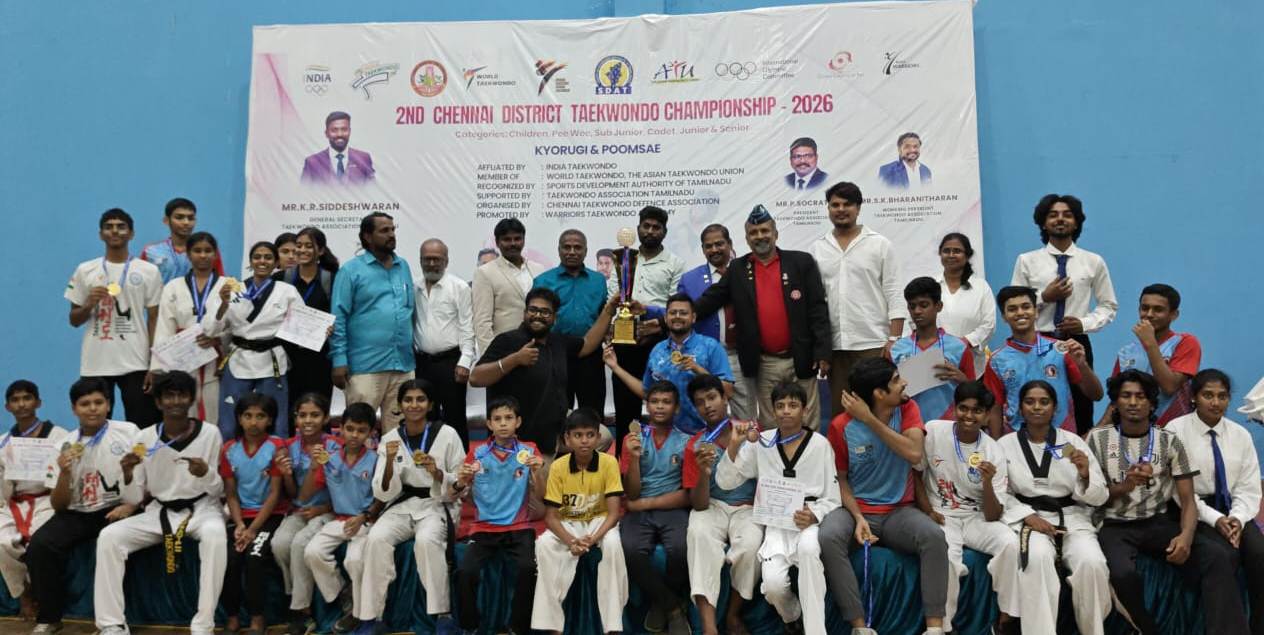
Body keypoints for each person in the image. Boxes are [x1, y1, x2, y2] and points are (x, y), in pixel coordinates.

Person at [1085, 370, 1241, 635]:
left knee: (1217, 556)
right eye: (1126, 396)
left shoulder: (1169, 440)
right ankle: (1148, 629)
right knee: (1122, 574)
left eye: (1140, 396)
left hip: (1157, 522)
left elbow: (1188, 500)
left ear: (1151, 404)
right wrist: (1126, 486)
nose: (1133, 402)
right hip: (1113, 524)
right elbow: (1091, 496)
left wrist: (1186, 537)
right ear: (1115, 403)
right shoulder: (1097, 439)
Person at [820, 358, 949, 635]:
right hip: (856, 511)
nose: (904, 383)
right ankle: (859, 626)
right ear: (879, 393)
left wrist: (869, 419)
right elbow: (840, 479)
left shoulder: (908, 408)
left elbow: (913, 453)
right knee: (828, 536)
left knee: (933, 537)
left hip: (898, 512)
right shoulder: (841, 426)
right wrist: (857, 517)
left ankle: (935, 628)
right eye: (895, 380)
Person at [93, 371, 225, 635]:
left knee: (216, 536)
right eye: (168, 396)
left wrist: (205, 474)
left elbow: (218, 489)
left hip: (202, 509)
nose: (175, 401)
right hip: (160, 511)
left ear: (191, 399)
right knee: (109, 537)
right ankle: (111, 623)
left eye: (181, 395)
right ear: (158, 402)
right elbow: (134, 497)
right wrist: (128, 473)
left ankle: (203, 625)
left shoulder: (210, 433)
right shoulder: (144, 438)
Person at [716, 381, 839, 635]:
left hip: (807, 520)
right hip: (776, 524)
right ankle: (792, 615)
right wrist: (735, 444)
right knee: (772, 586)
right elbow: (726, 482)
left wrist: (815, 515)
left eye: (793, 405)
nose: (786, 411)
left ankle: (816, 631)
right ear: (772, 411)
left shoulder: (820, 445)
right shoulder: (762, 442)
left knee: (808, 550)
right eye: (780, 405)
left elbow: (833, 498)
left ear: (805, 410)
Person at [696, 206, 832, 429]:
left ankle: (808, 453)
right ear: (746, 239)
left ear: (775, 234)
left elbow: (818, 309)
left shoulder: (801, 262)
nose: (760, 236)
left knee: (806, 420)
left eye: (765, 231)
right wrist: (674, 317)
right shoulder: (738, 269)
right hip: (765, 362)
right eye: (753, 232)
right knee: (770, 423)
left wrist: (823, 351)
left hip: (802, 356)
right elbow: (711, 299)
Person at [26, 379, 139, 633]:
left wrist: (131, 506)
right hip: (78, 512)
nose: (93, 408)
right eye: (85, 404)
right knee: (40, 546)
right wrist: (65, 473)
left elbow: (146, 475)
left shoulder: (128, 432)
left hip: (118, 507)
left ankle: (112, 623)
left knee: (110, 543)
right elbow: (58, 505)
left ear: (108, 404)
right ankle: (49, 618)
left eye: (99, 402)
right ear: (74, 409)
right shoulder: (63, 446)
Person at [997, 380, 1109, 635]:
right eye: (1030, 402)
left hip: (1072, 517)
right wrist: (1027, 516)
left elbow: (1100, 496)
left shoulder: (1070, 443)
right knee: (1037, 560)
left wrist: (1085, 475)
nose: (1037, 407)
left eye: (1044, 402)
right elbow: (1000, 492)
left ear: (1055, 408)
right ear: (1020, 408)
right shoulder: (1005, 445)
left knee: (1092, 563)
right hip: (1030, 518)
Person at [912, 382, 1022, 634]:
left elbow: (993, 515)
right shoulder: (934, 431)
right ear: (954, 408)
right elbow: (915, 473)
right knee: (947, 558)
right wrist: (927, 510)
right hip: (942, 515)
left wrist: (987, 483)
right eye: (963, 408)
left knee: (1010, 543)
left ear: (987, 415)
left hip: (976, 518)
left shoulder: (993, 450)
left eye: (977, 411)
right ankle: (944, 627)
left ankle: (1006, 618)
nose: (969, 416)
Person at [360, 380, 465, 632]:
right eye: (408, 400)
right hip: (402, 503)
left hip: (436, 503)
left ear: (430, 405)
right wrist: (388, 463)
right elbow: (383, 490)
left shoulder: (447, 434)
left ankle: (443, 615)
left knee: (427, 541)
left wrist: (437, 472)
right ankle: (374, 617)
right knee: (375, 538)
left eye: (420, 399)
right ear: (399, 404)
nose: (414, 405)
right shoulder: (390, 439)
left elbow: (462, 482)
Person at [1166, 369, 1264, 633]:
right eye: (1208, 395)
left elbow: (1248, 486)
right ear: (1194, 397)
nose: (1216, 402)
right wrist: (1215, 519)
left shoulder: (1240, 435)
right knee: (1223, 556)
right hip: (1192, 510)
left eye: (1222, 396)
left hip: (1233, 510)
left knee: (1259, 553)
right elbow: (1178, 490)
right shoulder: (1176, 430)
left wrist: (1237, 519)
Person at [1010, 194, 1118, 434]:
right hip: (1037, 341)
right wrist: (1044, 297)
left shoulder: (1093, 261)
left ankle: (1078, 453)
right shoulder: (1027, 260)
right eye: (1053, 215)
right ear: (1043, 223)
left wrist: (1084, 323)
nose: (1060, 219)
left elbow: (1108, 305)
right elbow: (1014, 303)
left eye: (1067, 215)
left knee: (1081, 405)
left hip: (1075, 342)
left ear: (1076, 222)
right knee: (1036, 402)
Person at [470, 287, 614, 455]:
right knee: (539, 471)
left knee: (603, 437)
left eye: (545, 312)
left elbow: (587, 344)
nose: (538, 315)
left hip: (559, 425)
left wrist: (609, 310)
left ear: (554, 318)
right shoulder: (507, 341)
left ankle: (564, 462)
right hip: (526, 440)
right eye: (533, 310)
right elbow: (476, 378)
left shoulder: (558, 342)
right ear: (525, 313)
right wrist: (515, 359)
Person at [452, 396, 545, 635]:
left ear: (518, 422)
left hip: (519, 526)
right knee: (465, 571)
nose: (503, 423)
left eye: (508, 418)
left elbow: (542, 495)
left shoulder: (529, 451)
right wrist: (461, 481)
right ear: (489, 424)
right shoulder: (477, 453)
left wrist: (537, 472)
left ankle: (518, 626)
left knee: (528, 568)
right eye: (497, 419)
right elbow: (458, 493)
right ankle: (470, 626)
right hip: (483, 528)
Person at [810, 182, 904, 417]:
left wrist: (894, 338)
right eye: (835, 205)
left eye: (847, 204)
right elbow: (815, 303)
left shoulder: (879, 244)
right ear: (828, 208)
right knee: (842, 414)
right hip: (836, 347)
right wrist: (820, 348)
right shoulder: (818, 248)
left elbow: (893, 292)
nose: (841, 209)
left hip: (873, 343)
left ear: (858, 208)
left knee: (878, 411)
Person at [531, 408, 627, 634]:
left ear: (598, 437)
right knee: (543, 544)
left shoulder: (609, 463)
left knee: (613, 544)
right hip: (568, 523)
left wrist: (592, 539)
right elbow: (551, 516)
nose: (584, 441)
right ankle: (552, 626)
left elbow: (614, 513)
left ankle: (612, 625)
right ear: (567, 439)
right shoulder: (558, 466)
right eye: (578, 435)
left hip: (599, 522)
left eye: (590, 435)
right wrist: (571, 541)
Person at [66, 208, 164, 426]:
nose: (115, 231)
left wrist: (155, 362)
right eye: (109, 227)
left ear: (131, 233)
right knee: (93, 425)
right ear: (101, 234)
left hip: (136, 361)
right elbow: (74, 319)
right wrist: (89, 304)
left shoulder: (148, 271)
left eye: (121, 227)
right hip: (95, 362)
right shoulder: (85, 270)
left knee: (143, 425)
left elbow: (154, 318)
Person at [682, 375, 761, 635]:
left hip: (747, 506)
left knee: (751, 546)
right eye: (700, 402)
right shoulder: (695, 445)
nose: (707, 405)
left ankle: (733, 614)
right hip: (712, 506)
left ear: (725, 398)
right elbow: (698, 504)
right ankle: (708, 626)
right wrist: (704, 473)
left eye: (712, 397)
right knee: (698, 534)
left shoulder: (750, 432)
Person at [206, 241, 304, 439]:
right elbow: (211, 330)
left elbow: (303, 325)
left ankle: (278, 458)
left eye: (268, 257)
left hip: (272, 359)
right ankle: (229, 457)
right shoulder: (232, 290)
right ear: (250, 262)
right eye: (257, 257)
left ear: (276, 262)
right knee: (229, 422)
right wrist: (223, 304)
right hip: (239, 358)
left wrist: (321, 331)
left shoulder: (287, 291)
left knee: (276, 420)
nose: (262, 261)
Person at [329, 212, 417, 433]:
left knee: (398, 434)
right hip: (365, 366)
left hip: (402, 364)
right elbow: (338, 317)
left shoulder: (403, 266)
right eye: (384, 231)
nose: (391, 235)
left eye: (393, 229)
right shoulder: (350, 270)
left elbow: (409, 310)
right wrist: (339, 359)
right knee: (359, 431)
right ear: (367, 237)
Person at [301, 403, 383, 635]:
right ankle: (342, 593)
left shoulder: (376, 460)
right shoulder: (329, 458)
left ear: (371, 433)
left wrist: (364, 516)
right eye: (350, 429)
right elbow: (305, 495)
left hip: (365, 521)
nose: (354, 435)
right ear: (341, 429)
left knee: (354, 561)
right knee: (312, 552)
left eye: (361, 430)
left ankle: (356, 613)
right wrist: (314, 467)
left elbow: (383, 498)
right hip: (338, 520)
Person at [607, 205, 686, 441]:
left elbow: (676, 305)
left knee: (663, 402)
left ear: (664, 232)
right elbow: (613, 295)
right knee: (625, 405)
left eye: (656, 227)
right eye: (646, 226)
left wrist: (654, 321)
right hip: (624, 339)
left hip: (660, 340)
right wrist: (617, 325)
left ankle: (665, 455)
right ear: (638, 228)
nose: (650, 231)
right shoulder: (624, 260)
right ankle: (625, 456)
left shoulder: (675, 263)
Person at [619, 381, 692, 632]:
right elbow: (631, 492)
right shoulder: (632, 439)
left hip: (672, 509)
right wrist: (634, 459)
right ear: (647, 405)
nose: (660, 407)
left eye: (666, 402)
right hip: (638, 510)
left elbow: (687, 496)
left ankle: (661, 605)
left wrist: (643, 504)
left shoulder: (686, 442)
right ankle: (672, 606)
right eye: (655, 401)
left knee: (681, 549)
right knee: (629, 549)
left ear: (677, 408)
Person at [983, 286, 1103, 436]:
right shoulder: (997, 360)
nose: (1020, 312)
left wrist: (1082, 365)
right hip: (1018, 440)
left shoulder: (1060, 350)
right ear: (1004, 317)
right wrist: (997, 445)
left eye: (1026, 307)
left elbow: (1096, 395)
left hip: (1062, 439)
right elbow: (995, 408)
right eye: (1012, 309)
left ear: (1036, 311)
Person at [606, 294, 733, 435]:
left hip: (706, 434)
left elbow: (728, 391)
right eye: (673, 313)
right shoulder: (657, 350)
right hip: (668, 436)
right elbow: (647, 392)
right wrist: (615, 367)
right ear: (666, 318)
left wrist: (697, 369)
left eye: (683, 313)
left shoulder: (711, 347)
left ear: (693, 318)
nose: (677, 316)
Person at [218, 392, 287, 635]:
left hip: (270, 516)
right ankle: (233, 616)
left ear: (270, 420)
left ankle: (258, 617)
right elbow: (231, 493)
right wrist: (239, 525)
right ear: (239, 418)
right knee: (229, 558)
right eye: (248, 416)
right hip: (240, 516)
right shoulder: (229, 449)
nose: (253, 422)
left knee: (254, 556)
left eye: (260, 416)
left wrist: (253, 530)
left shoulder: (277, 447)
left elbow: (275, 494)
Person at [0, 381, 69, 620]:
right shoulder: (3, 441)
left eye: (27, 398)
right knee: (2, 541)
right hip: (14, 502)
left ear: (38, 402)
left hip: (47, 499)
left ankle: (38, 590)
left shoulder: (59, 435)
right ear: (7, 407)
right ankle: (23, 593)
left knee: (39, 540)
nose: (22, 404)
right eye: (15, 400)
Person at [273, 393, 338, 635]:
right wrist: (287, 475)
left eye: (315, 415)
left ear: (326, 418)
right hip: (300, 509)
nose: (308, 420)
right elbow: (294, 495)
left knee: (300, 543)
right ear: (295, 419)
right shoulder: (288, 446)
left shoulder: (334, 446)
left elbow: (343, 487)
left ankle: (302, 611)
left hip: (330, 510)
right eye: (302, 415)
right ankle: (295, 594)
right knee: (280, 544)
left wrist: (323, 508)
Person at [678, 223, 755, 420]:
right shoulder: (689, 279)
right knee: (704, 415)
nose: (714, 250)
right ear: (702, 249)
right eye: (708, 246)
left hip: (740, 355)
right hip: (704, 358)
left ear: (730, 244)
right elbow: (680, 315)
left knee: (746, 418)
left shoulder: (749, 272)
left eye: (719, 244)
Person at [151, 231, 227, 425]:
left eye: (208, 251)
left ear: (215, 254)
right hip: (182, 357)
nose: (203, 255)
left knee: (215, 411)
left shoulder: (228, 286)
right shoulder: (173, 287)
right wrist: (160, 368)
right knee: (183, 409)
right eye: (197, 250)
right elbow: (164, 326)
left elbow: (237, 325)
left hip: (215, 359)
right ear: (188, 254)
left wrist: (219, 340)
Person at [533, 229, 609, 413]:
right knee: (556, 413)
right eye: (567, 247)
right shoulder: (543, 281)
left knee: (592, 412)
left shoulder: (598, 280)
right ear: (559, 250)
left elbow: (603, 315)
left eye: (577, 247)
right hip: (555, 353)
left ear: (586, 251)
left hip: (591, 355)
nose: (572, 252)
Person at [1109, 283, 1200, 427]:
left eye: (1158, 310)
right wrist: (1095, 430)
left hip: (1174, 431)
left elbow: (1169, 387)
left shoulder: (1185, 343)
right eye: (1145, 308)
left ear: (1174, 314)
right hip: (1134, 432)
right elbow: (1116, 400)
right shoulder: (1126, 352)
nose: (1149, 314)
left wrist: (1150, 343)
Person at [413, 238, 475, 446]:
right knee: (424, 417)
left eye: (437, 259)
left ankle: (460, 464)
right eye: (427, 259)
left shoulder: (459, 287)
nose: (432, 264)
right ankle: (424, 460)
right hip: (421, 363)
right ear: (420, 260)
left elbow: (467, 326)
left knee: (455, 417)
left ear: (446, 261)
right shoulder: (414, 287)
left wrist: (465, 361)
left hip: (451, 363)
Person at [890, 277, 976, 420]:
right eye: (912, 306)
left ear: (939, 306)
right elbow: (886, 392)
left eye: (924, 305)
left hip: (949, 423)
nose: (917, 311)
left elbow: (975, 392)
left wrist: (962, 379)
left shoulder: (959, 347)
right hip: (908, 423)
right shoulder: (896, 350)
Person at [276, 227, 340, 415]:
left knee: (319, 408)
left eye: (308, 246)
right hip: (287, 357)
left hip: (320, 359)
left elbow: (341, 315)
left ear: (320, 251)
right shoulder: (280, 279)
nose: (302, 250)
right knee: (287, 411)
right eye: (299, 245)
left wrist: (334, 327)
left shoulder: (333, 280)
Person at [472, 218, 547, 356]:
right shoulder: (485, 273)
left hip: (538, 349)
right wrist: (490, 356)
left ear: (523, 240)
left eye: (517, 239)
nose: (513, 243)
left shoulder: (539, 269)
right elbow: (482, 322)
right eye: (507, 239)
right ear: (497, 242)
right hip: (504, 351)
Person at [935, 233, 994, 372]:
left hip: (972, 364)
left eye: (957, 251)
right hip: (935, 362)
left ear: (967, 255)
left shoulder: (981, 287)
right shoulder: (931, 285)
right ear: (940, 254)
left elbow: (989, 325)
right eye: (946, 251)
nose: (951, 255)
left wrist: (964, 342)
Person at [139, 198, 224, 284]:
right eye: (179, 217)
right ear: (166, 220)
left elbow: (221, 282)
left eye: (191, 218)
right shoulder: (151, 251)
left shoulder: (206, 251)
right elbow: (141, 284)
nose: (186, 222)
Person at [301, 111, 375, 184]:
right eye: (334, 130)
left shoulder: (364, 159)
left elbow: (373, 189)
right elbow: (304, 190)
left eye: (344, 129)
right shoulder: (312, 162)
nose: (340, 134)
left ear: (350, 131)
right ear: (326, 133)